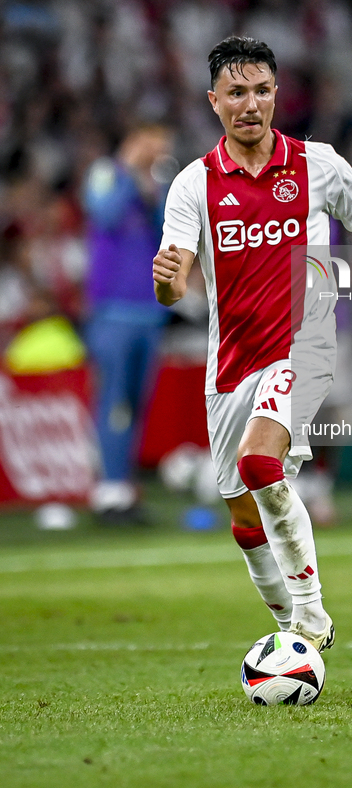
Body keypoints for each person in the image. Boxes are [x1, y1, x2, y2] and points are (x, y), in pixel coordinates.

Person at [152, 36, 352, 651]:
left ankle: (312, 617)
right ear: (213, 101)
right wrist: (165, 286)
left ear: (277, 94)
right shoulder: (193, 185)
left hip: (306, 347)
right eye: (237, 92)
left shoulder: (320, 165)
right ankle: (288, 634)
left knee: (261, 462)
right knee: (243, 513)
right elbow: (174, 281)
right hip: (231, 363)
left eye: (262, 90)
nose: (251, 104)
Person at [84, 122, 173, 524]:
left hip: (149, 313)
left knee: (135, 404)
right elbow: (104, 215)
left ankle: (122, 486)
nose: (158, 153)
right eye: (153, 145)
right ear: (135, 141)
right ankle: (108, 491)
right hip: (112, 312)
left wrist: (150, 188)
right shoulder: (106, 174)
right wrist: (128, 169)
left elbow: (167, 231)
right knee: (114, 402)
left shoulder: (154, 184)